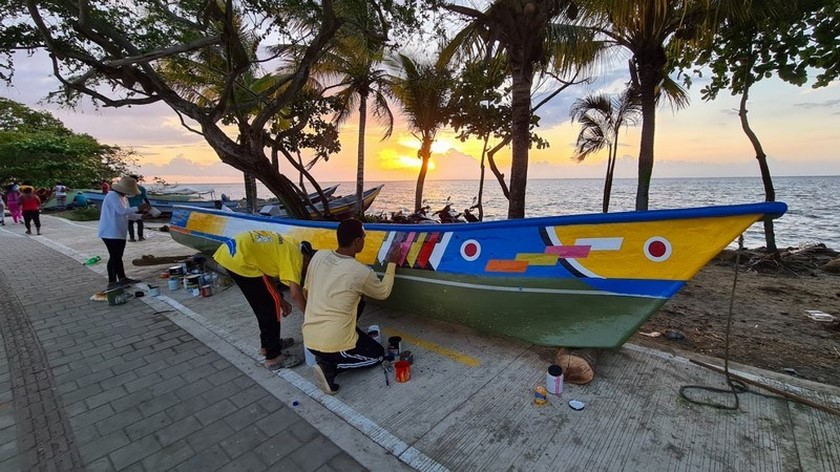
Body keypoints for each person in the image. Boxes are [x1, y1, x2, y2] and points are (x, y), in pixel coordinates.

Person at [303, 218, 397, 395]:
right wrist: (392, 263)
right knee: (377, 355)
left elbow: (306, 292)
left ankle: (327, 355)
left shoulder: (319, 256)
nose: (365, 240)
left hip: (309, 336)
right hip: (332, 342)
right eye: (364, 237)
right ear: (358, 241)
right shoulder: (359, 271)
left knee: (359, 299)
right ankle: (330, 368)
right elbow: (383, 292)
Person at [213, 230, 312, 370]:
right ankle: (273, 357)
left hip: (233, 253)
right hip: (240, 259)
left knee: (266, 303)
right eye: (308, 266)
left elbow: (267, 274)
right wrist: (311, 317)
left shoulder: (292, 244)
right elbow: (296, 294)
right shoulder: (296, 258)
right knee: (269, 308)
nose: (306, 270)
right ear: (306, 257)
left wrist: (280, 299)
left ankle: (267, 346)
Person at [97, 176, 149, 289]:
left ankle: (122, 278)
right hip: (110, 232)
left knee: (118, 256)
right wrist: (138, 207)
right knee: (114, 257)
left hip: (119, 232)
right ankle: (112, 282)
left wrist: (141, 216)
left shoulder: (123, 198)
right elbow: (121, 211)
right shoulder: (112, 195)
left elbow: (128, 214)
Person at [127, 175, 151, 242]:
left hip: (129, 208)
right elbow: (145, 198)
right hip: (139, 207)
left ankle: (132, 238)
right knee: (140, 223)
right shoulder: (141, 188)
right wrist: (149, 206)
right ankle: (140, 237)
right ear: (137, 180)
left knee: (130, 224)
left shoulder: (126, 189)